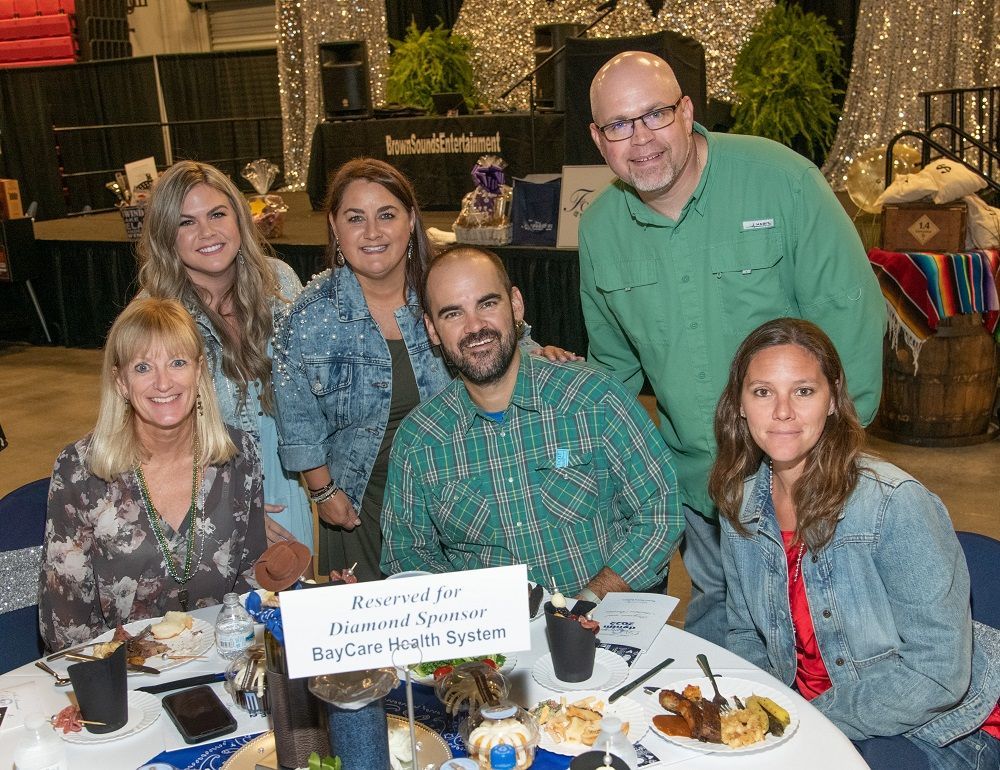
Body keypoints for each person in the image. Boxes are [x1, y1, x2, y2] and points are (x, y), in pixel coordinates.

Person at [578, 51, 886, 643]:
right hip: (700, 489)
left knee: (828, 632)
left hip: (803, 474)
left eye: (655, 114)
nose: (641, 139)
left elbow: (849, 315)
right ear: (598, 138)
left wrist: (834, 455)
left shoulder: (782, 181)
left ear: (686, 111)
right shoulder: (599, 230)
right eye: (618, 125)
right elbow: (612, 369)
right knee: (723, 633)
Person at [709, 317, 1000, 768]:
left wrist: (803, 721)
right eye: (763, 392)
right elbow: (746, 634)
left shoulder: (894, 503)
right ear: (740, 406)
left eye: (803, 391)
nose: (782, 411)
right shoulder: (739, 504)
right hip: (809, 714)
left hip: (937, 728)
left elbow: (938, 674)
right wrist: (762, 714)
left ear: (832, 400)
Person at [273, 159, 576, 582]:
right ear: (334, 227)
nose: (372, 232)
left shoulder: (447, 287)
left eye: (387, 215)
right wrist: (323, 490)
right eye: (355, 218)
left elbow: (494, 338)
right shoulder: (308, 315)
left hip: (462, 492)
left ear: (411, 220)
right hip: (362, 504)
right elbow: (296, 417)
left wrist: (541, 354)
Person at [380, 246, 684, 598]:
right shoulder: (419, 441)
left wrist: (587, 601)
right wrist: (472, 611)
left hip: (605, 612)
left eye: (487, 304)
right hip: (492, 629)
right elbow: (407, 554)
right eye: (453, 314)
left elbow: (660, 509)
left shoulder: (594, 397)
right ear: (432, 330)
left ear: (516, 306)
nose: (474, 326)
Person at [39, 298, 266, 651]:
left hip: (221, 660)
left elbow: (252, 582)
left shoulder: (239, 456)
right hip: (122, 671)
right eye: (143, 367)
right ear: (121, 381)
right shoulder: (80, 471)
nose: (163, 383)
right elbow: (67, 625)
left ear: (199, 370)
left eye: (177, 363)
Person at [137, 160, 312, 552]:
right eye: (186, 222)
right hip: (204, 508)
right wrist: (232, 506)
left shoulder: (280, 282)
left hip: (288, 488)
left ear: (239, 218)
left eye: (217, 214)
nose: (207, 232)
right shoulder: (153, 314)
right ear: (166, 235)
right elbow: (144, 442)